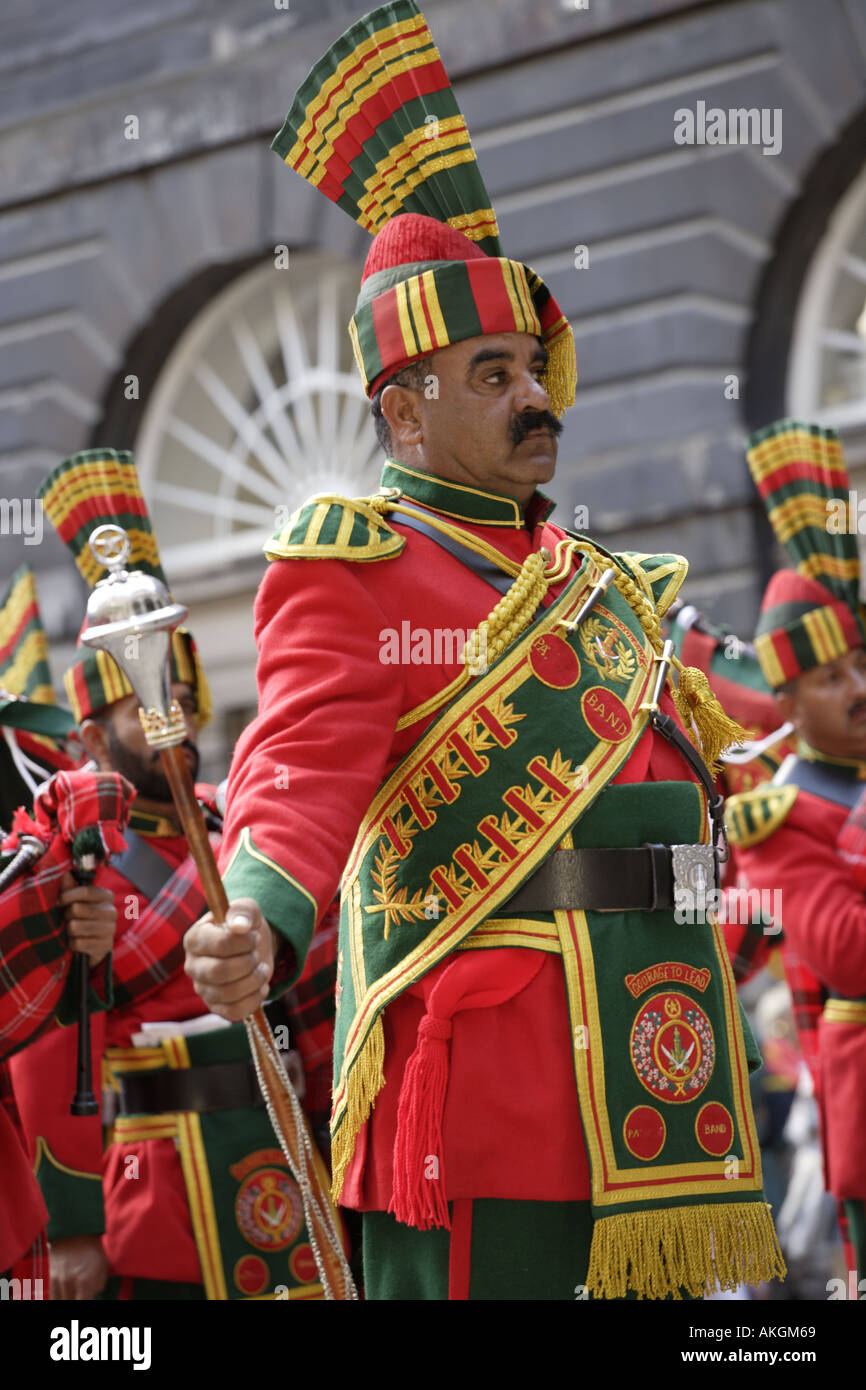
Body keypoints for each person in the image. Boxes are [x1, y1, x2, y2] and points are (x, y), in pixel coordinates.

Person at [184, 0, 785, 1301]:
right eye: (494, 372)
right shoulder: (354, 562)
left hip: (661, 1047)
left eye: (535, 368)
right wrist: (256, 911)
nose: (535, 398)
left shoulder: (601, 587)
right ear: (402, 409)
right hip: (489, 1080)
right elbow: (301, 765)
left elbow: (727, 750)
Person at [9, 448, 340, 1302]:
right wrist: (75, 1224)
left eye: (184, 706)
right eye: (141, 709)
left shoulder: (243, 820)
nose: (171, 724)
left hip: (288, 1145)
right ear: (90, 739)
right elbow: (54, 1050)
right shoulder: (72, 857)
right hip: (163, 1182)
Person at [722, 417, 866, 1288]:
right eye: (829, 678)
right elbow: (849, 950)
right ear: (787, 699)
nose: (857, 689)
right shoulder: (780, 816)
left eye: (859, 664)